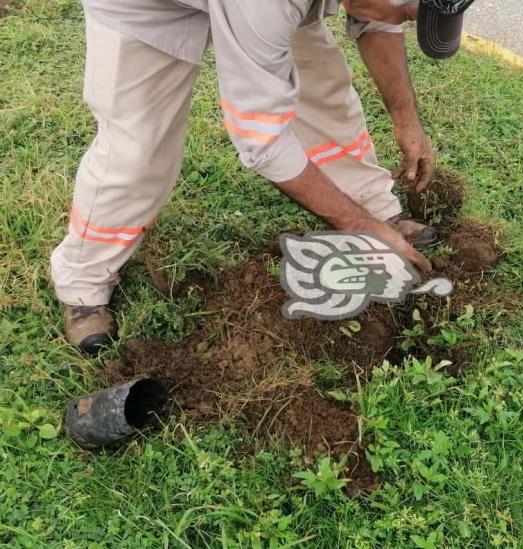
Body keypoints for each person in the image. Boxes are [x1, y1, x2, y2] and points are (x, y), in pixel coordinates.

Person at [50, 0, 476, 354]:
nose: (404, 20)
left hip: (269, 10)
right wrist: (357, 228)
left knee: (324, 89)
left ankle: (375, 208)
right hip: (151, 8)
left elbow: (376, 16)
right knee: (138, 150)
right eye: (408, 13)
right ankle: (83, 283)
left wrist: (406, 121)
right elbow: (262, 139)